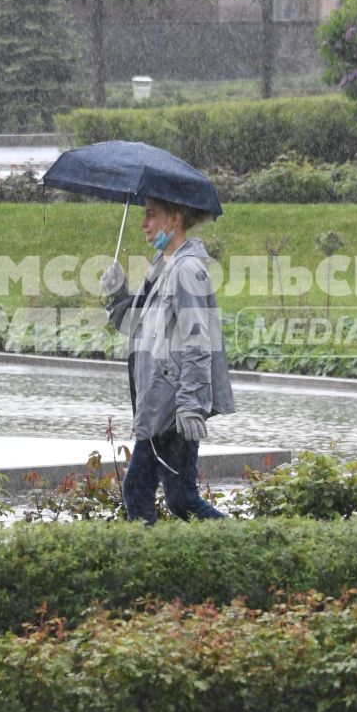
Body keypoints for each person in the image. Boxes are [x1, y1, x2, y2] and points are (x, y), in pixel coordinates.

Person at [103, 196, 235, 523]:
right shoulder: (163, 267)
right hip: (161, 402)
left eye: (151, 215)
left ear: (174, 219)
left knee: (141, 490)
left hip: (174, 406)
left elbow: (198, 342)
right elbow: (140, 327)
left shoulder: (186, 270)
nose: (143, 223)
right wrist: (117, 294)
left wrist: (190, 404)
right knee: (179, 498)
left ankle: (144, 564)